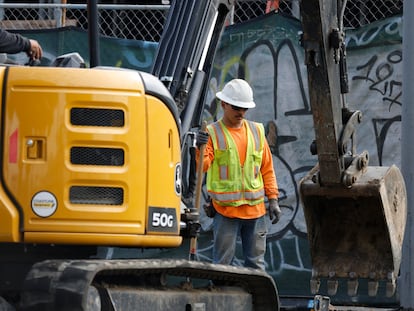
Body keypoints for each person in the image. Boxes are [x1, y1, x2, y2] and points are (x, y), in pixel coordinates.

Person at [196, 78, 281, 270]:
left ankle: (253, 299)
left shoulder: (257, 131)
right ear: (224, 104)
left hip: (255, 212)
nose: (241, 112)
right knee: (222, 265)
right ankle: (221, 298)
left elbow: (267, 169)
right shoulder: (212, 133)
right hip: (226, 211)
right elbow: (202, 167)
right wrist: (199, 148)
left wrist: (273, 199)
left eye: (244, 108)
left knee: (256, 265)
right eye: (236, 107)